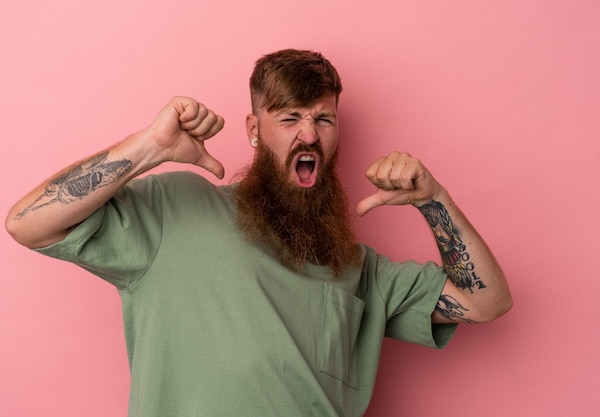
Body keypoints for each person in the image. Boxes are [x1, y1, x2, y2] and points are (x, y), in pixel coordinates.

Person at [6, 49, 512, 417]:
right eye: (289, 117)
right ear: (253, 130)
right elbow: (27, 223)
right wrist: (149, 149)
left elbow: (486, 301)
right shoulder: (173, 207)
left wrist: (433, 201)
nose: (309, 133)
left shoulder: (359, 267)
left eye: (323, 119)